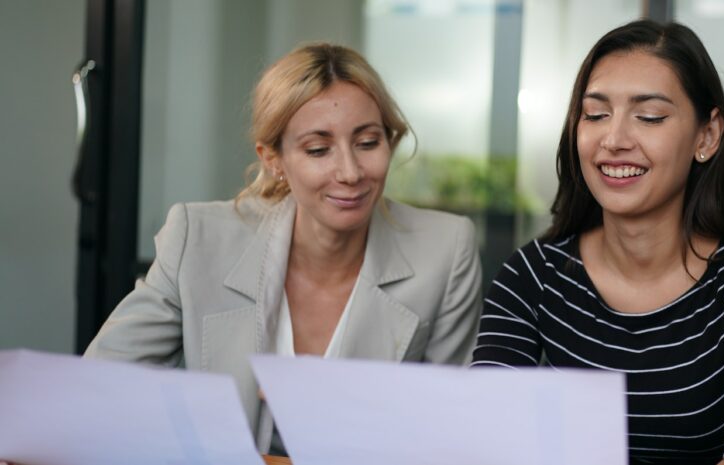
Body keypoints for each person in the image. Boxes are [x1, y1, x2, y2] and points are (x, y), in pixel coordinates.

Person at [83, 43, 483, 453]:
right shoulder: (198, 238)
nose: (350, 172)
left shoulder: (445, 250)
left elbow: (454, 433)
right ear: (273, 159)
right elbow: (98, 388)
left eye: (367, 142)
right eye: (317, 149)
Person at [471, 20, 724, 465]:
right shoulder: (534, 274)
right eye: (595, 115)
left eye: (649, 117)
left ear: (707, 136)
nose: (613, 140)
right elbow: (483, 439)